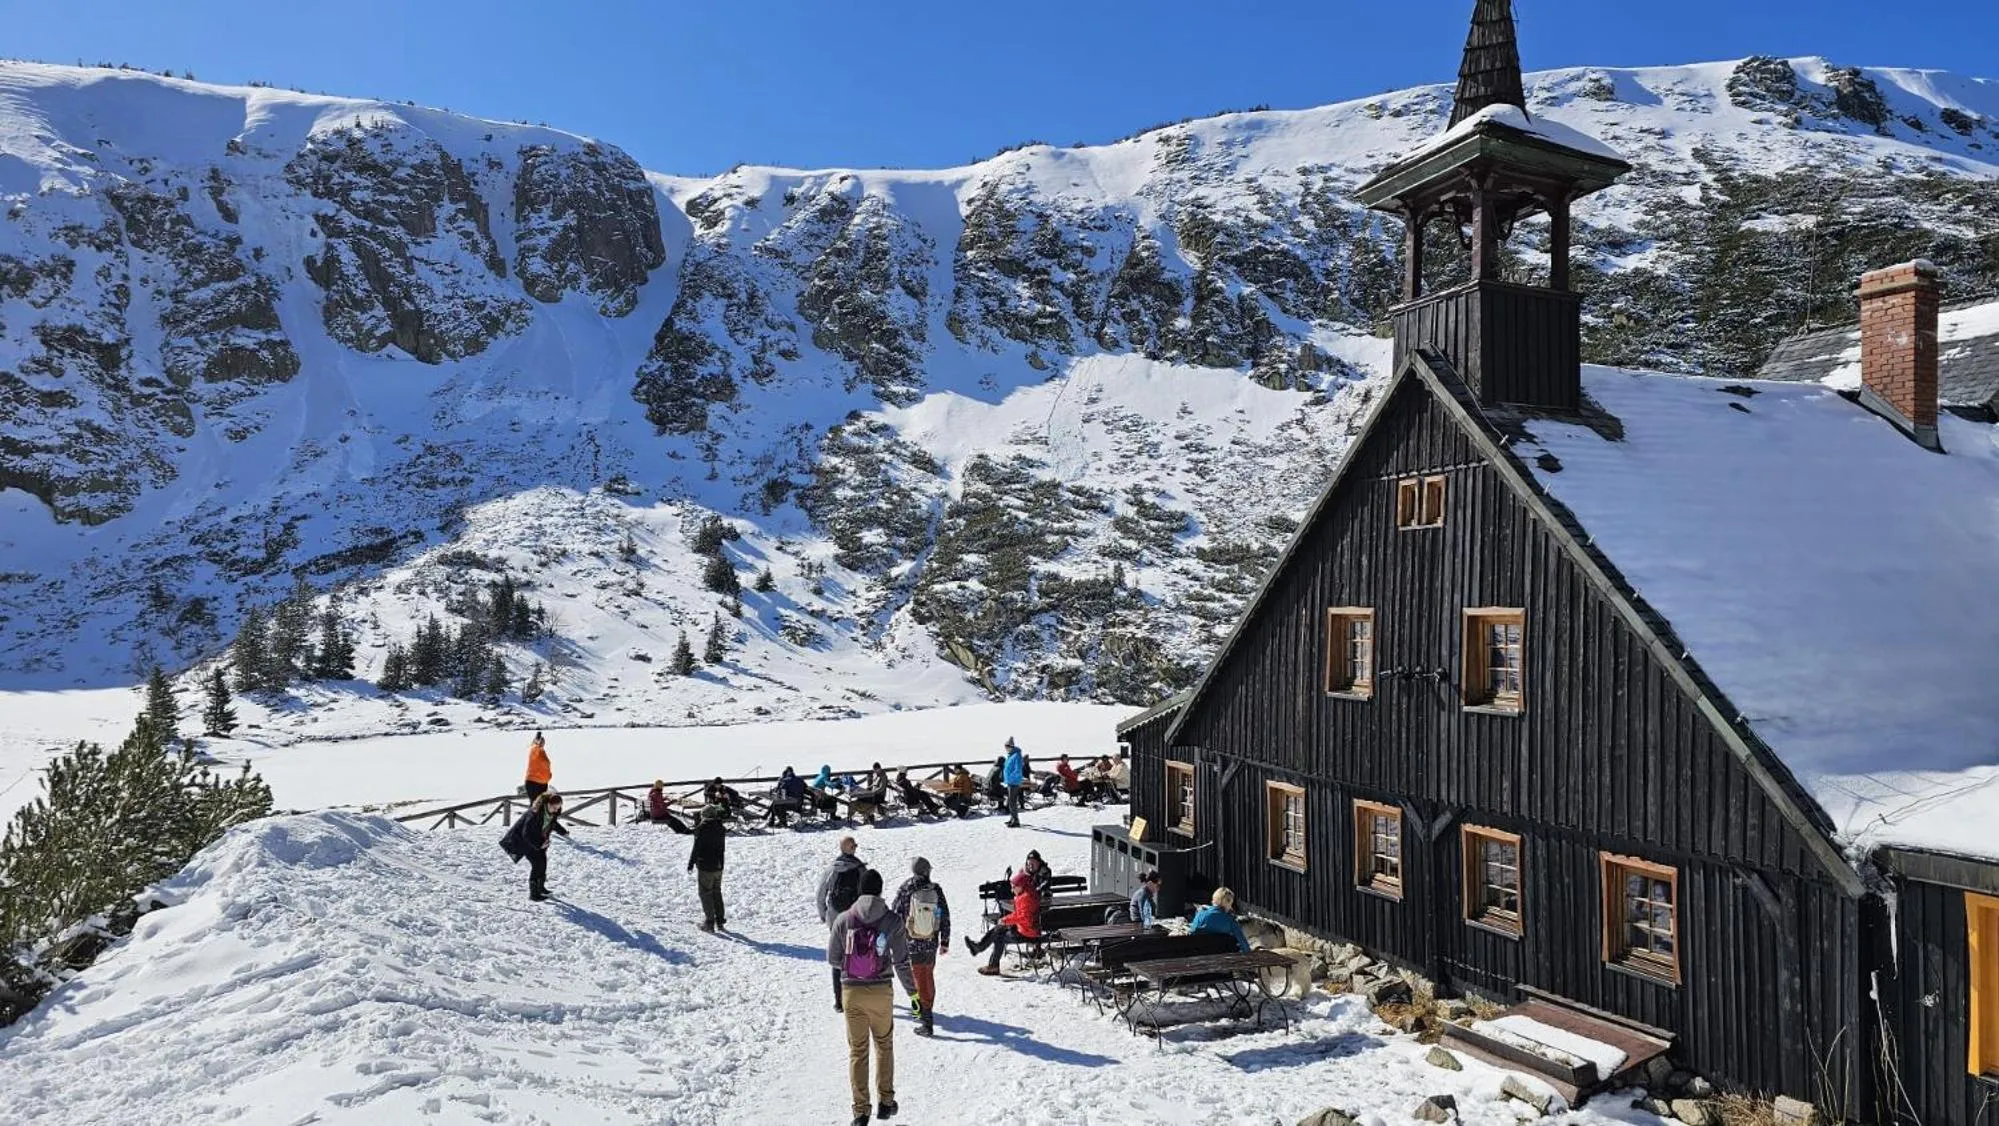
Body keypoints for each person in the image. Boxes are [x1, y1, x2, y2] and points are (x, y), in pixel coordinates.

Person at [827, 869, 915, 1126]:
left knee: (858, 1051)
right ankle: (886, 1102)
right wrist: (914, 994)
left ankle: (860, 1111)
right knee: (884, 1045)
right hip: (881, 992)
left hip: (852, 992)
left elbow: (832, 959)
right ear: (880, 890)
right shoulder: (892, 920)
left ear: (859, 890)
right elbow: (901, 961)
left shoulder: (844, 919)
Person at [890, 856, 950, 1037]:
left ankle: (927, 1021)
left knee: (918, 978)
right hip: (931, 942)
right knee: (927, 977)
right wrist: (945, 941)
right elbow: (944, 915)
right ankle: (927, 1013)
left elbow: (895, 913)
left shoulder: (906, 888)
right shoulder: (935, 889)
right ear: (927, 871)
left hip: (912, 943)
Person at [818, 837, 870, 1011]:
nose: (856, 847)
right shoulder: (860, 868)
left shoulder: (832, 869)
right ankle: (856, 996)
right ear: (849, 848)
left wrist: (823, 914)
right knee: (855, 954)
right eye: (854, 845)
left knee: (837, 956)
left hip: (835, 917)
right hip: (854, 917)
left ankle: (839, 1000)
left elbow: (821, 893)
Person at [964, 870, 1040, 976]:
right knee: (999, 928)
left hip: (1027, 933)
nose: (1012, 889)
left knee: (999, 936)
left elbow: (1023, 917)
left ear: (1021, 886)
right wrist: (1005, 920)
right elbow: (1019, 915)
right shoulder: (1025, 894)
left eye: (1014, 887)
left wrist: (1006, 920)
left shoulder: (1026, 898)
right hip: (1026, 928)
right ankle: (980, 949)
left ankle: (990, 962)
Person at [499, 790, 569, 901]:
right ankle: (534, 894)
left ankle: (541, 888)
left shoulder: (551, 813)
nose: (556, 810)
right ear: (547, 804)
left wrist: (563, 831)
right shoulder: (534, 814)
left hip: (539, 841)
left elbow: (553, 823)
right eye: (554, 807)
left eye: (558, 808)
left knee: (543, 863)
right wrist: (539, 845)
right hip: (525, 842)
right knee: (537, 864)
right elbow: (526, 834)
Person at [689, 804, 728, 931]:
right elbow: (722, 849)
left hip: (706, 865)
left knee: (705, 893)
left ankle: (709, 922)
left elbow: (697, 848)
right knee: (717, 892)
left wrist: (691, 863)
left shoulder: (702, 829)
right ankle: (720, 920)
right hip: (718, 865)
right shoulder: (721, 828)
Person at [1189, 887, 1251, 952]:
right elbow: (1243, 943)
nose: (1231, 907)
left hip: (1199, 955)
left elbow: (1192, 932)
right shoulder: (1230, 920)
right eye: (1230, 904)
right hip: (1222, 958)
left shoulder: (1200, 915)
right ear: (1227, 903)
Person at [1001, 739, 1026, 828]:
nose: (1006, 749)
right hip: (1010, 781)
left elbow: (1017, 769)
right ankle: (1012, 818)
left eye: (1007, 747)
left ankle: (1015, 821)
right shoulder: (1010, 755)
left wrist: (1011, 777)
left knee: (1012, 802)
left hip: (1013, 782)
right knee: (1011, 801)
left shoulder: (1016, 756)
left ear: (1011, 746)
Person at [523, 731, 552, 801]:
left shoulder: (542, 752)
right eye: (541, 741)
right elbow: (536, 748)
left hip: (543, 783)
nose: (542, 743)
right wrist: (536, 743)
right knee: (535, 807)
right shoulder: (534, 750)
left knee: (541, 806)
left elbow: (546, 766)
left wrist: (549, 776)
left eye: (543, 741)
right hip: (534, 782)